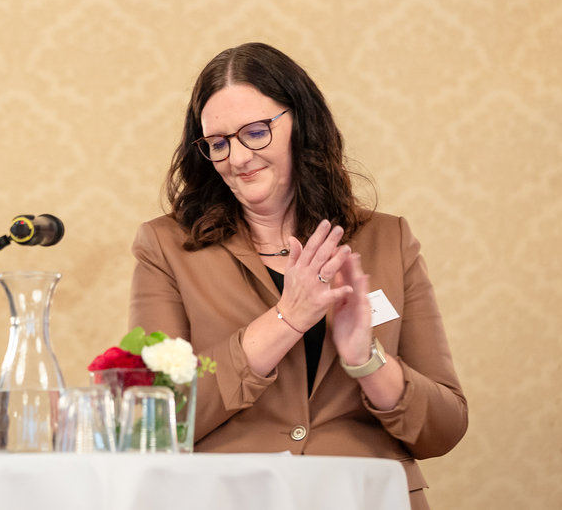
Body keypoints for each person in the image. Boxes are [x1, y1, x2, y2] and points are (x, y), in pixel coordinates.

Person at [129, 43, 467, 510]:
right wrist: (288, 318)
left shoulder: (389, 239)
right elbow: (152, 424)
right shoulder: (166, 246)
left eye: (255, 132)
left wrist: (366, 361)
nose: (238, 158)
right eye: (218, 143)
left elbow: (445, 429)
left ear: (302, 124)